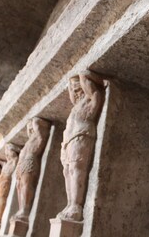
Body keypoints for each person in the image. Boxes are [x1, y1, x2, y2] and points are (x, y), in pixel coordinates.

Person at [57, 70, 105, 221]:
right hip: (69, 140)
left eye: (78, 90)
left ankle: (76, 205)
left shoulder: (92, 98)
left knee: (76, 168)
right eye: (72, 91)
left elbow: (84, 76)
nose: (75, 93)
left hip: (81, 134)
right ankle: (70, 203)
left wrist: (83, 77)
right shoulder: (75, 108)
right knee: (67, 171)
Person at [13, 117, 50, 223]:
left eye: (31, 128)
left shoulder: (38, 136)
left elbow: (41, 138)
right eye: (29, 129)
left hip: (30, 161)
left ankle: (25, 209)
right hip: (22, 164)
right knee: (19, 186)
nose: (30, 130)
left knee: (26, 185)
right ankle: (21, 208)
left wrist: (36, 124)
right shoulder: (28, 142)